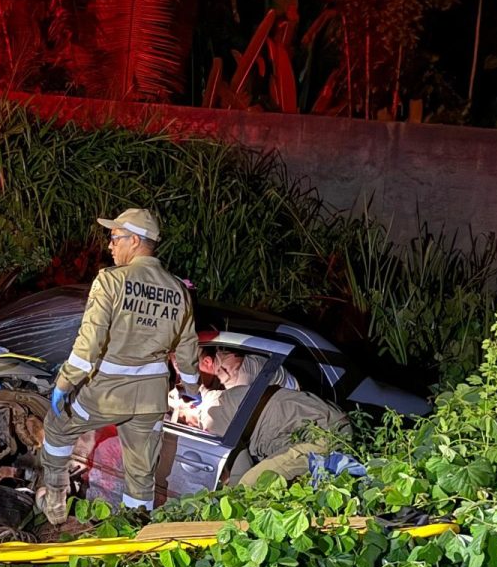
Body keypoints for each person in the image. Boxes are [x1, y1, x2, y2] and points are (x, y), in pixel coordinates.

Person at [37, 208, 202, 521]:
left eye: (115, 238)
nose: (110, 246)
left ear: (135, 241)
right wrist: (192, 390)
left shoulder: (111, 281)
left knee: (57, 428)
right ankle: (135, 531)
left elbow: (89, 343)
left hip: (106, 394)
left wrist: (65, 382)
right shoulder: (179, 291)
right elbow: (187, 348)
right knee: (141, 475)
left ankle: (55, 504)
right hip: (151, 400)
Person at [204, 349, 353, 487]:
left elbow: (239, 468)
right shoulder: (226, 397)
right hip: (322, 427)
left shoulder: (213, 414)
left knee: (249, 485)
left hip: (328, 433)